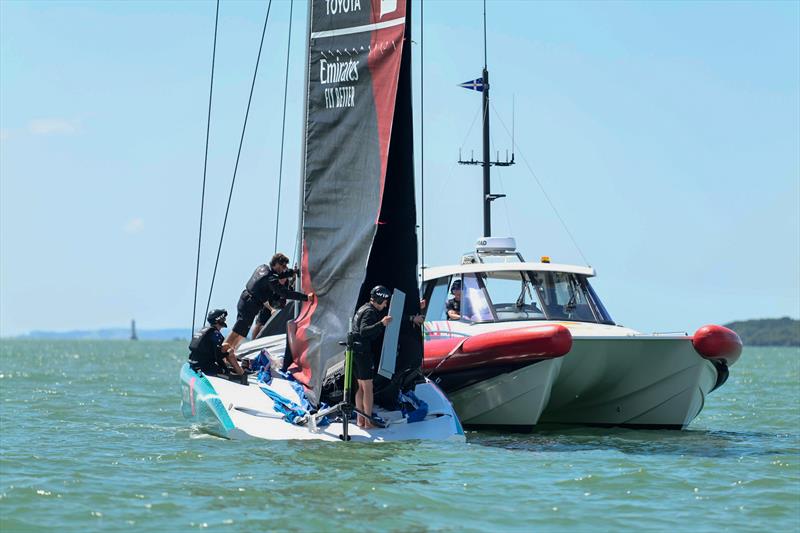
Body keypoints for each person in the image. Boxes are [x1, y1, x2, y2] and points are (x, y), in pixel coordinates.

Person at [223, 252, 313, 358]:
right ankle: (222, 354)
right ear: (276, 264)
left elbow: (278, 275)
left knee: (241, 332)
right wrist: (306, 297)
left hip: (245, 300)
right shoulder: (270, 279)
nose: (284, 268)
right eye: (283, 266)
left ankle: (229, 354)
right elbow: (284, 293)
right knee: (236, 332)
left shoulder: (263, 268)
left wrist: (292, 272)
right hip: (250, 305)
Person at [351, 285, 392, 429]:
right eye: (385, 301)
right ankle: (368, 422)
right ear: (380, 298)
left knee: (361, 388)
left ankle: (360, 420)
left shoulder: (363, 308)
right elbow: (364, 331)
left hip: (355, 351)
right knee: (368, 388)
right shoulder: (369, 312)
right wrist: (381, 324)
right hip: (362, 353)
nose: (386, 304)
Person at [188, 309, 238, 375]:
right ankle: (241, 372)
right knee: (228, 351)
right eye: (223, 319)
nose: (225, 320)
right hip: (203, 367)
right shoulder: (216, 334)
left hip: (192, 363)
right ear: (218, 321)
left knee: (225, 346)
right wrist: (226, 369)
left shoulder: (203, 329)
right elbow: (218, 357)